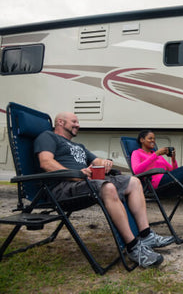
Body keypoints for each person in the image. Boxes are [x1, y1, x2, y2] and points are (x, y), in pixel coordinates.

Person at [34, 112, 175, 268]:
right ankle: (133, 247)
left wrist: (106, 162)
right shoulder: (48, 137)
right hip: (63, 187)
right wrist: (76, 175)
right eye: (74, 121)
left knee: (134, 182)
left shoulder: (79, 146)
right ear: (60, 122)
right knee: (108, 187)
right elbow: (46, 163)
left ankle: (146, 235)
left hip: (85, 182)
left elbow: (97, 161)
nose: (78, 125)